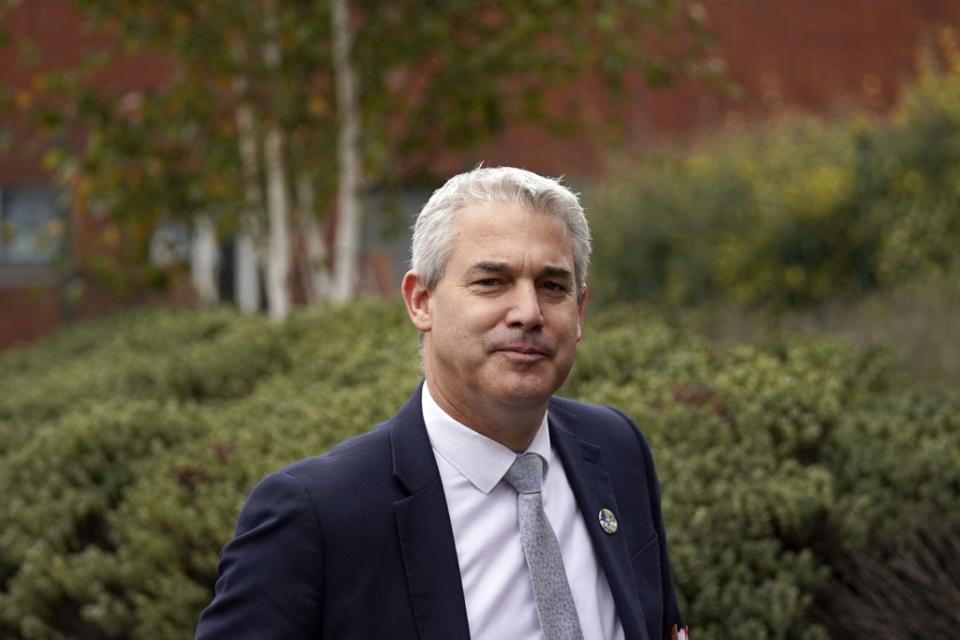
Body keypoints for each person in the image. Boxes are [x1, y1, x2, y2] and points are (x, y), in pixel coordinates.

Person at [195, 167, 685, 640]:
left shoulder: (617, 449)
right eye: (492, 282)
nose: (529, 313)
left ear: (578, 312)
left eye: (552, 287)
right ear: (421, 301)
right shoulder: (317, 516)